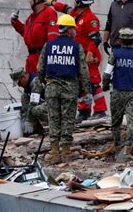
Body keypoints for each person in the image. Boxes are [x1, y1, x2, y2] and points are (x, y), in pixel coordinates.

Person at [38, 14, 91, 164]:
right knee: (68, 120)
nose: (75, 32)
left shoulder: (48, 45)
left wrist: (44, 83)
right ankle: (66, 152)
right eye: (74, 29)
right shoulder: (76, 47)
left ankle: (54, 152)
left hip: (52, 88)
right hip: (69, 88)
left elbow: (40, 68)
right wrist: (86, 90)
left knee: (54, 119)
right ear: (69, 30)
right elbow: (83, 71)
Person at [52, 0, 108, 122]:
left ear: (79, 2)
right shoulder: (74, 14)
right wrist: (53, 3)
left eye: (75, 0)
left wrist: (89, 53)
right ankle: (84, 110)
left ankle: (100, 110)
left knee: (93, 83)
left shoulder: (91, 18)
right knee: (80, 84)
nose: (73, 2)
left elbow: (95, 39)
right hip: (78, 56)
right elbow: (65, 8)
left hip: (89, 56)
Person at [102, 28, 133, 161]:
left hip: (118, 93)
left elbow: (107, 73)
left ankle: (117, 148)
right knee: (132, 123)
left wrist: (104, 85)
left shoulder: (115, 54)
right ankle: (127, 150)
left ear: (120, 40)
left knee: (116, 123)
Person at [11, 0, 59, 73]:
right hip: (31, 60)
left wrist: (49, 60)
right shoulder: (32, 17)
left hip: (42, 58)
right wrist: (15, 22)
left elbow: (53, 37)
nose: (29, 1)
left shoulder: (49, 13)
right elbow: (25, 32)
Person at [10, 67, 47, 134]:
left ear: (23, 77)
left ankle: (59, 125)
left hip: (55, 105)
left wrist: (28, 120)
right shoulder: (27, 89)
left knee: (35, 110)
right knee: (24, 97)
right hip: (45, 103)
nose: (19, 85)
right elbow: (25, 109)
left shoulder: (36, 81)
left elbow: (33, 103)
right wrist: (24, 123)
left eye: (19, 82)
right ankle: (36, 130)